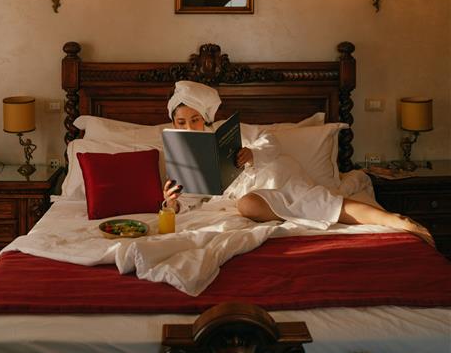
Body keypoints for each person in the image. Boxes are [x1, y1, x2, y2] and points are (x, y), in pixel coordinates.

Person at [163, 81, 434, 247]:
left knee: (311, 200)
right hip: (251, 198)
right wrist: (172, 202)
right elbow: (190, 201)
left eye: (195, 120)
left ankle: (396, 220)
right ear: (174, 123)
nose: (189, 127)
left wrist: (252, 154)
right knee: (248, 205)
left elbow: (271, 144)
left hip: (274, 175)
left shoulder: (231, 132)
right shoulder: (183, 152)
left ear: (206, 118)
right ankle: (300, 215)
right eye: (181, 122)